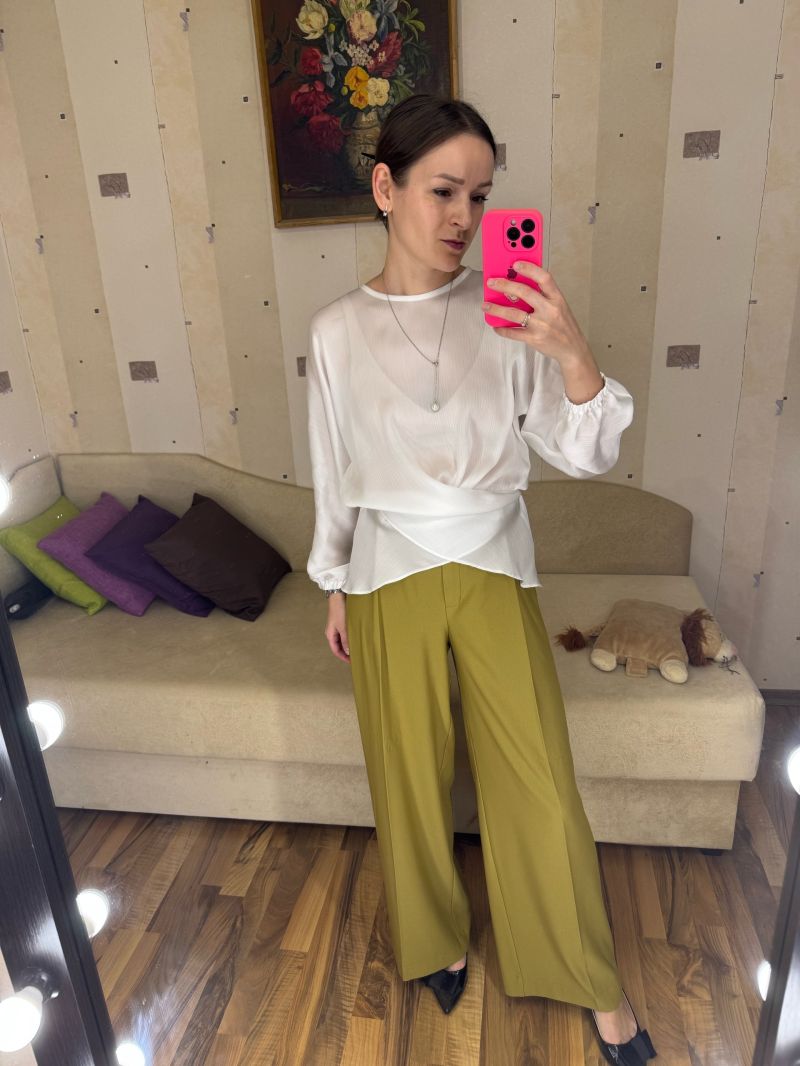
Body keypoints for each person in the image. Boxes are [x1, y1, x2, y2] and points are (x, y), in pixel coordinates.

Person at [306, 93, 657, 1064]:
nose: (463, 215)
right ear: (386, 188)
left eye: (481, 194)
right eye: (442, 190)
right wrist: (333, 578)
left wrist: (571, 351)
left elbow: (582, 452)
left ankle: (589, 980)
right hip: (384, 572)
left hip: (493, 560)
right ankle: (437, 941)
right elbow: (333, 469)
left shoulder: (508, 312)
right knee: (407, 775)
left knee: (538, 783)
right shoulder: (335, 331)